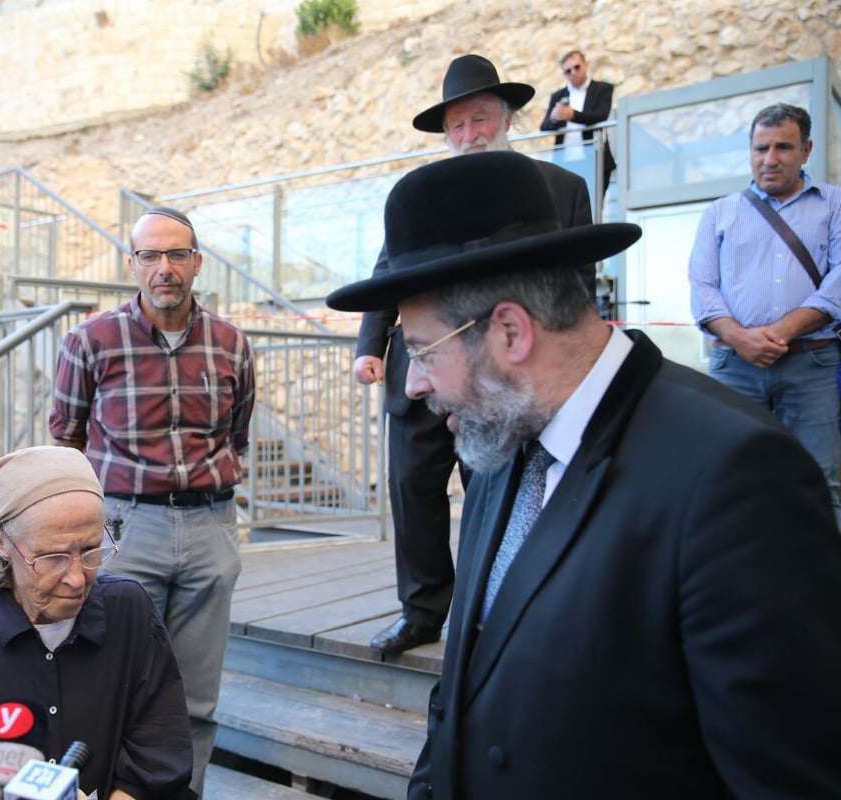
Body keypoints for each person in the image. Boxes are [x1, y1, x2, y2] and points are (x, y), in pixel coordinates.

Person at [326, 151, 841, 798]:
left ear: (510, 332)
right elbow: (459, 694)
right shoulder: (501, 442)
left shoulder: (738, 479)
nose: (414, 382)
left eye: (424, 350)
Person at [358, 54, 593, 656]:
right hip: (420, 370)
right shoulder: (419, 196)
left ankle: (491, 611)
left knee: (496, 491)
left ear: (508, 117)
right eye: (457, 126)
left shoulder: (561, 188)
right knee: (413, 492)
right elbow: (387, 277)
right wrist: (370, 349)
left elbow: (578, 286)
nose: (469, 135)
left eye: (480, 119)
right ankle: (421, 612)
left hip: (503, 375)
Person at [49, 206, 254, 797]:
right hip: (123, 528)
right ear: (132, 263)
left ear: (196, 262)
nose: (164, 268)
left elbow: (236, 435)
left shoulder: (233, 345)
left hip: (211, 526)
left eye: (176, 255)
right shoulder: (90, 340)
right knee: (106, 679)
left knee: (196, 696)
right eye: (150, 256)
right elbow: (65, 437)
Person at [0, 446, 194, 800]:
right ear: (1, 544)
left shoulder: (130, 611)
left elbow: (159, 758)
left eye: (91, 551)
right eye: (52, 557)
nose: (77, 578)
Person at [689, 103, 841, 528]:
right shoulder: (719, 212)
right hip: (734, 366)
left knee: (816, 481)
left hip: (811, 365)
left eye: (783, 147)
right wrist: (741, 338)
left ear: (806, 150)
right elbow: (702, 286)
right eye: (760, 148)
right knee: (729, 478)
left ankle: (819, 588)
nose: (769, 159)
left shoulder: (834, 204)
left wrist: (776, 332)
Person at [539, 49, 617, 199]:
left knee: (594, 204)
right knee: (566, 205)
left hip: (595, 157)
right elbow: (545, 126)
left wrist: (572, 115)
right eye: (568, 71)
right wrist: (554, 118)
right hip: (565, 159)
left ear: (586, 65)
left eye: (577, 67)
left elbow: (602, 115)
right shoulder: (558, 95)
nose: (573, 73)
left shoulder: (602, 89)